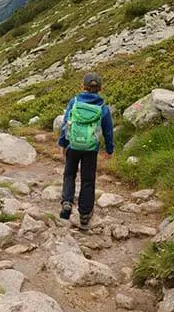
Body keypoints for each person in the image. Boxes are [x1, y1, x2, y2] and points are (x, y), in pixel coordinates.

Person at [58, 72, 114, 231]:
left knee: (69, 174)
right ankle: (84, 214)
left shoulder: (74, 102)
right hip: (91, 149)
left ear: (83, 86)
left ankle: (67, 202)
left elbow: (66, 123)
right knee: (88, 180)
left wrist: (63, 142)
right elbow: (108, 130)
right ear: (99, 88)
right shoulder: (102, 107)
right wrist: (109, 149)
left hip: (73, 146)